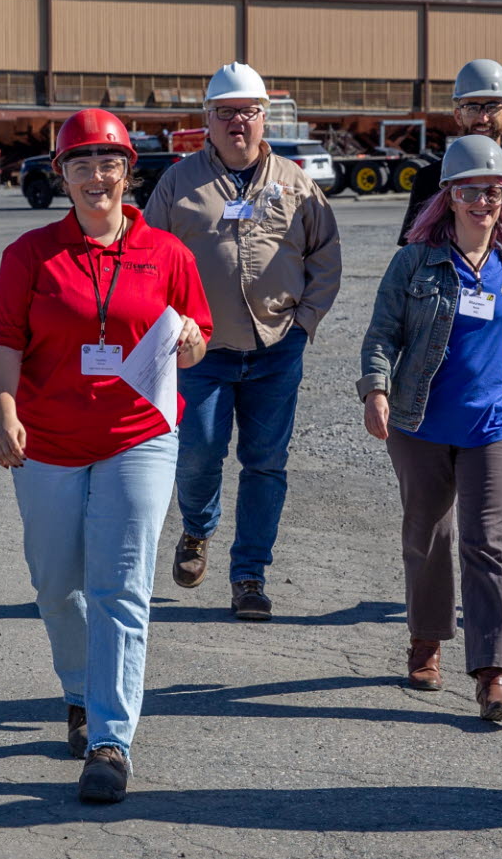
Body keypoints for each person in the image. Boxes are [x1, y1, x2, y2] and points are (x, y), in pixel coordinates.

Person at [0, 108, 211, 804]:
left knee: (122, 587)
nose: (96, 176)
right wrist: (4, 413)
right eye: (79, 163)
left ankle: (113, 739)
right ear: (62, 175)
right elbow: (3, 343)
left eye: (107, 161)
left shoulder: (167, 251)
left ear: (127, 170)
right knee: (58, 585)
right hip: (48, 439)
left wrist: (195, 343)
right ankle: (80, 691)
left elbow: (196, 322)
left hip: (139, 435)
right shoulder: (31, 254)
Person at [360, 135, 502, 721]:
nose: (482, 201)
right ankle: (426, 641)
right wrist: (376, 389)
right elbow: (381, 334)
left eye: (493, 191)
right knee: (428, 535)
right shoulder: (414, 261)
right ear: (448, 196)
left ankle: (493, 673)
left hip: (496, 425)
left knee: (489, 543)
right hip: (419, 425)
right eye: (469, 190)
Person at [144, 61, 342, 621]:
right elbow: (147, 260)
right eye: (225, 113)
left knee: (265, 463)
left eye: (248, 113)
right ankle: (197, 528)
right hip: (200, 354)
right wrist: (168, 325)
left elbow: (325, 255)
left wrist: (304, 323)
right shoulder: (179, 183)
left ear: (264, 119)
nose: (238, 123)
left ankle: (249, 575)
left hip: (276, 348)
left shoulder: (295, 182)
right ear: (207, 119)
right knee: (200, 452)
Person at [399, 59, 502, 335]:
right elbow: (410, 256)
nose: (482, 117)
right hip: (444, 324)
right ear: (457, 115)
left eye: (491, 107)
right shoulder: (431, 180)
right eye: (472, 107)